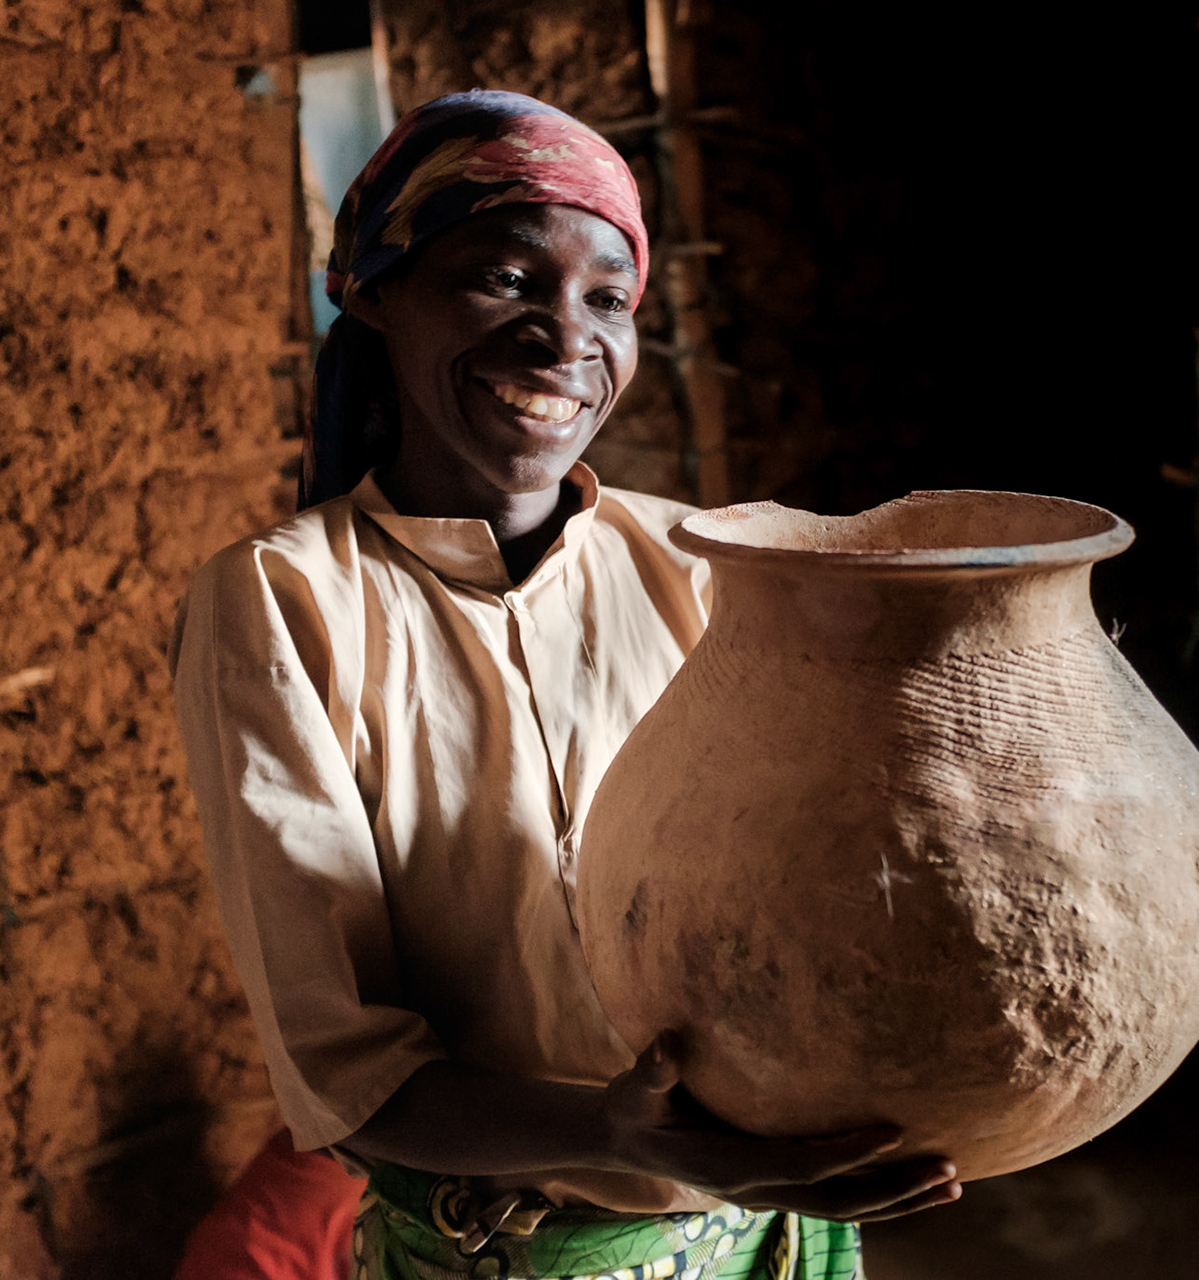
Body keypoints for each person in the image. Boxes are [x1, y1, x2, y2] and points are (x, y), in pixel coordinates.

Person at [171, 90, 959, 1280]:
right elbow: (349, 1074)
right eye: (503, 278)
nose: (565, 338)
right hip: (512, 1255)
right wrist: (607, 1129)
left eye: (609, 299)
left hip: (768, 1241)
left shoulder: (706, 563)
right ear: (377, 291)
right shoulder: (285, 603)